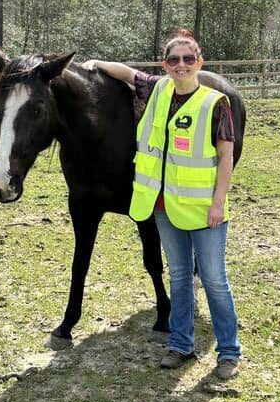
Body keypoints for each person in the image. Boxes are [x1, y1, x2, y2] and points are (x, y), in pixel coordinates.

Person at [83, 31, 241, 380]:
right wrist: (94, 64)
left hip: (205, 210)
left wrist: (218, 203)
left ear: (200, 62)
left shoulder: (216, 104)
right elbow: (127, 74)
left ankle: (229, 351)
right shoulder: (158, 89)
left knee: (214, 279)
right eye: (174, 59)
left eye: (188, 59)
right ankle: (181, 344)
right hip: (164, 206)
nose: (181, 65)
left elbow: (226, 158)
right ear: (164, 65)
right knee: (180, 276)